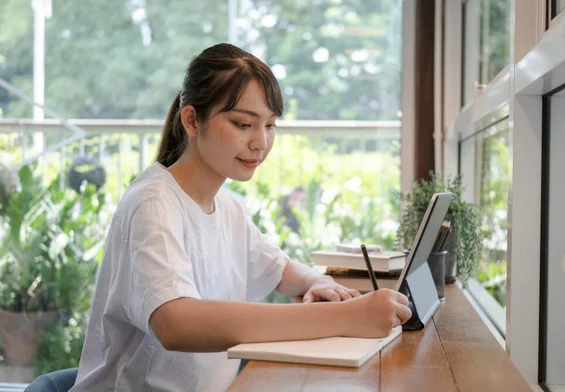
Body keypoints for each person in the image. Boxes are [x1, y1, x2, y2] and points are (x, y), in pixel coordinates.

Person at [70, 43, 412, 392]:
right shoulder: (153, 204)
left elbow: (281, 271)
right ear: (191, 120)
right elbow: (175, 323)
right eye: (243, 124)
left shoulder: (227, 206)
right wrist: (343, 318)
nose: (260, 142)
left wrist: (316, 283)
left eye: (270, 125)